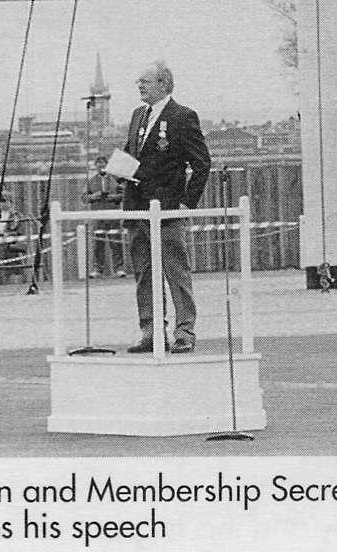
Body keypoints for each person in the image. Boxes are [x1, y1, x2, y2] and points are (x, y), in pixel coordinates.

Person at [123, 60, 211, 353]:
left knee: (176, 271)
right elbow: (132, 154)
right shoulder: (138, 116)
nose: (140, 85)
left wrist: (186, 203)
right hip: (137, 207)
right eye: (139, 81)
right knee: (144, 272)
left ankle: (184, 331)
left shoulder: (182, 117)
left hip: (167, 208)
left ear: (163, 84)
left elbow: (201, 164)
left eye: (146, 81)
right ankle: (151, 331)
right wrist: (115, 167)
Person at [82, 155, 126, 278]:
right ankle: (98, 269)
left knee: (116, 242)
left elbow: (123, 195)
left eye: (104, 164)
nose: (101, 167)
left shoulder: (115, 180)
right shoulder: (90, 181)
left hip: (113, 214)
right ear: (96, 166)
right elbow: (84, 197)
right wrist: (95, 196)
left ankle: (119, 268)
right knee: (98, 243)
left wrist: (111, 197)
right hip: (97, 215)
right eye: (99, 165)